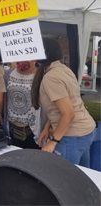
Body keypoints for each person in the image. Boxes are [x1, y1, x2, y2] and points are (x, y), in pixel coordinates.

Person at [31, 38, 96, 167]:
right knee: (83, 176)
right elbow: (59, 106)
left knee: (66, 180)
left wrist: (53, 141)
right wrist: (46, 128)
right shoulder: (62, 69)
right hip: (85, 131)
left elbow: (68, 113)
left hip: (71, 136)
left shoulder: (51, 78)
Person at [3, 61, 47, 149]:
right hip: (12, 129)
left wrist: (46, 128)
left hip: (34, 131)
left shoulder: (43, 76)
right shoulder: (8, 74)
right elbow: (4, 98)